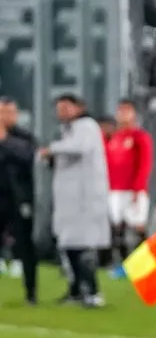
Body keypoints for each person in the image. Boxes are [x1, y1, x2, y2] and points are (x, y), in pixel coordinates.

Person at [40, 94, 110, 307]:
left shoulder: (86, 126)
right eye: (59, 108)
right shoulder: (66, 131)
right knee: (69, 246)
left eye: (66, 107)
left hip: (84, 201)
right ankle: (75, 290)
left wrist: (51, 149)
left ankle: (92, 292)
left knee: (82, 247)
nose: (62, 112)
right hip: (69, 202)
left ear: (79, 107)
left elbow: (79, 147)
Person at [105, 99, 153, 276]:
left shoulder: (140, 136)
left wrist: (138, 188)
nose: (123, 114)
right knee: (118, 229)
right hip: (115, 190)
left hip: (133, 191)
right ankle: (125, 267)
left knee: (138, 227)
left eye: (127, 110)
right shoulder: (114, 137)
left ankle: (146, 266)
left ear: (134, 114)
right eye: (120, 110)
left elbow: (145, 164)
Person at [0, 97, 38, 304]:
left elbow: (29, 156)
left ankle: (31, 292)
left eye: (10, 112)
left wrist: (4, 141)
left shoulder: (23, 137)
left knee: (25, 244)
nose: (6, 117)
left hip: (19, 197)